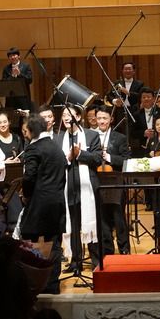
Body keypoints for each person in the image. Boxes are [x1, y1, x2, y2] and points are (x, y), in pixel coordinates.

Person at [19, 114, 67, 293]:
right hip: (57, 201)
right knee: (54, 242)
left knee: (30, 241)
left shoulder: (34, 148)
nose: (25, 134)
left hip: (39, 203)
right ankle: (52, 283)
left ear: (32, 131)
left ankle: (35, 282)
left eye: (26, 131)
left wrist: (26, 195)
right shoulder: (56, 147)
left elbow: (29, 177)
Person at [58, 104, 102, 271]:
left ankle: (96, 260)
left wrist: (81, 154)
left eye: (69, 115)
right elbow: (56, 163)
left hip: (87, 186)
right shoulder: (58, 138)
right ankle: (75, 262)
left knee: (91, 222)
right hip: (68, 187)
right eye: (63, 115)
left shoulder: (91, 135)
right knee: (74, 224)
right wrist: (68, 158)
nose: (66, 118)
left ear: (78, 117)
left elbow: (97, 159)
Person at [95, 106, 132, 256]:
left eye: (104, 118)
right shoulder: (91, 136)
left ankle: (124, 249)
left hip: (115, 181)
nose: (101, 121)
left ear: (111, 119)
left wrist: (109, 157)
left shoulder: (120, 138)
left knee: (118, 216)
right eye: (99, 118)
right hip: (98, 180)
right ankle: (107, 250)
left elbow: (126, 159)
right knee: (102, 216)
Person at [132, 87, 160, 157]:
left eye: (148, 97)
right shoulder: (137, 115)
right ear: (141, 99)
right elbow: (132, 132)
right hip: (142, 148)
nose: (146, 99)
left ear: (154, 99)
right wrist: (143, 133)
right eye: (144, 97)